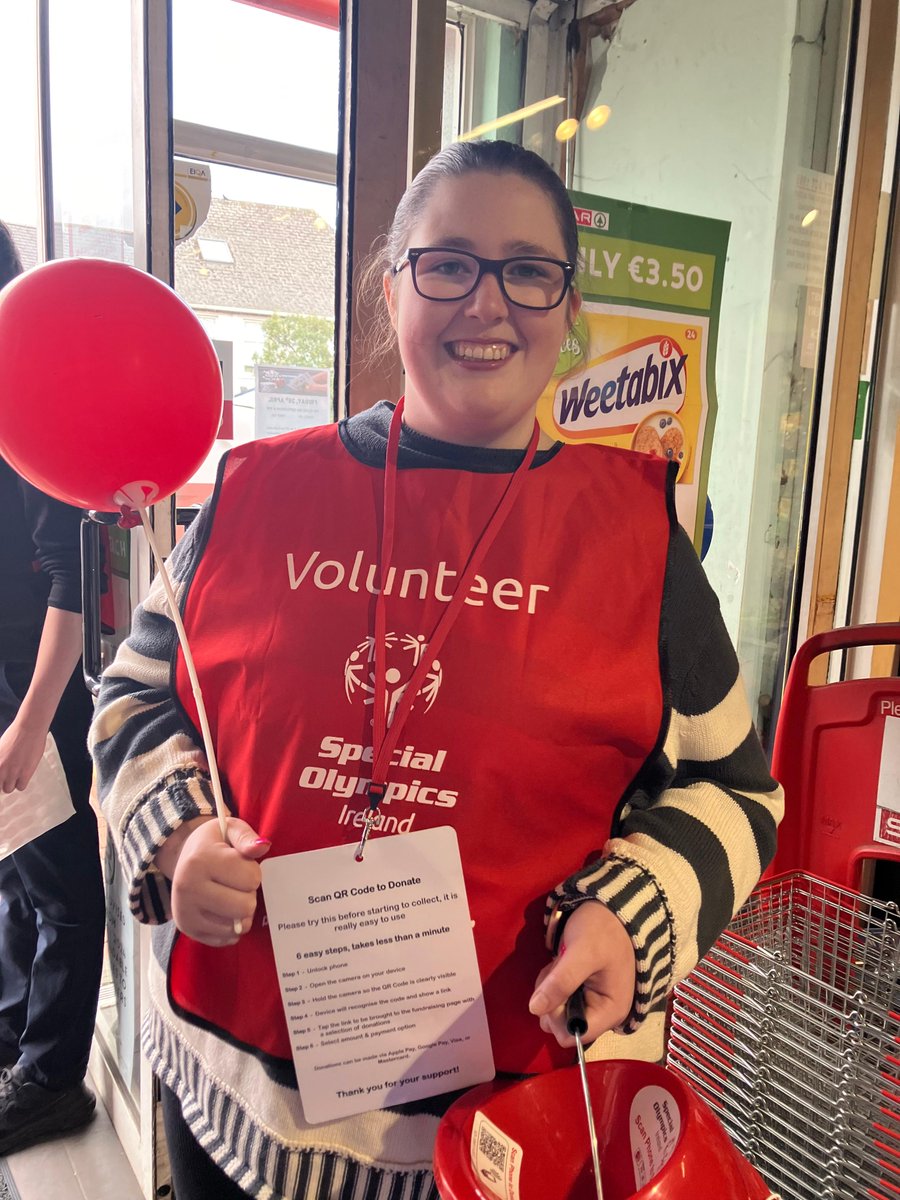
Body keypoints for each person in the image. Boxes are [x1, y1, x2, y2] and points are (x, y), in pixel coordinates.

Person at [90, 140, 783, 1199]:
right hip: (243, 1104)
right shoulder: (258, 490)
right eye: (448, 262)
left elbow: (734, 788)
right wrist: (179, 834)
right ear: (391, 285)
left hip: (504, 1131)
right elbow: (137, 691)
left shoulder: (637, 535)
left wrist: (629, 912)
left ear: (567, 303)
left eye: (528, 269)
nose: (486, 302)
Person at [0, 220, 105, 1154]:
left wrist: (32, 721)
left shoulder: (31, 402)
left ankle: (51, 1078)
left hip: (34, 692)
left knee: (65, 883)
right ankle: (14, 1033)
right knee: (15, 873)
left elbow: (71, 577)